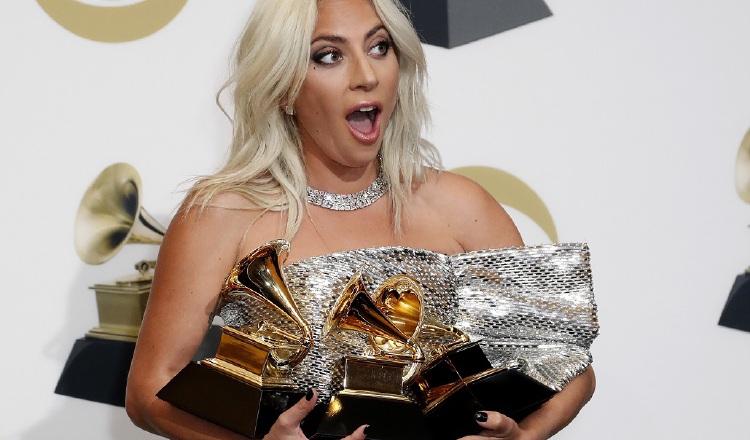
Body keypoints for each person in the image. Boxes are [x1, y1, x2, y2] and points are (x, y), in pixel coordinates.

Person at [125, 0, 596, 439]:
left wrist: (524, 435)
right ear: (284, 86)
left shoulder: (461, 205)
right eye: (329, 56)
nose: (366, 74)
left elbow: (567, 363)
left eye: (379, 46)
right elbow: (150, 391)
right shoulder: (221, 213)